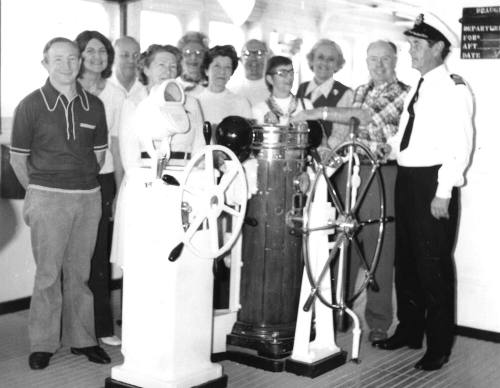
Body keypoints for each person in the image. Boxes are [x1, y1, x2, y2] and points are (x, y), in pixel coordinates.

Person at [371, 14, 473, 372]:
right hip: (408, 179)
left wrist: (444, 191)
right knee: (408, 261)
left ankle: (439, 345)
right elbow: (407, 135)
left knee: (434, 267)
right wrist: (392, 150)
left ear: (437, 48)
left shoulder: (454, 89)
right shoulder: (420, 85)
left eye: (416, 45)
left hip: (433, 184)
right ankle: (410, 331)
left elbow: (459, 145)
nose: (410, 51)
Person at [10, 37, 111, 369]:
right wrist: (40, 192)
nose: (67, 65)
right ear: (45, 64)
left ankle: (82, 339)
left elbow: (97, 156)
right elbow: (18, 160)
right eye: (58, 60)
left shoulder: (94, 105)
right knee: (48, 275)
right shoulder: (30, 105)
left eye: (72, 59)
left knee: (79, 274)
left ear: (80, 62)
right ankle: (43, 343)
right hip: (47, 198)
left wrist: (77, 182)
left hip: (87, 198)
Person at [347, 40, 409, 343]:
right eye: (373, 59)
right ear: (366, 61)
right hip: (353, 170)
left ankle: (379, 322)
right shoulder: (359, 91)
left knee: (379, 249)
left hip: (382, 173)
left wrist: (357, 140)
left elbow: (381, 134)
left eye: (385, 59)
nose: (379, 64)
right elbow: (352, 132)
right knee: (347, 242)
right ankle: (338, 313)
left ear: (395, 60)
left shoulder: (405, 94)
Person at [76, 30, 125, 347]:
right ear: (79, 55)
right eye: (90, 51)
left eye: (103, 51)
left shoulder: (116, 94)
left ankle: (102, 326)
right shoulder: (68, 87)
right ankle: (72, 326)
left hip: (103, 176)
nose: (97, 57)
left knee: (99, 254)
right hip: (70, 179)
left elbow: (118, 145)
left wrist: (120, 188)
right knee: (72, 253)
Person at [118, 44, 205, 175]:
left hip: (186, 176)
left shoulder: (191, 103)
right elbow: (129, 156)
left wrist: (196, 176)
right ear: (146, 69)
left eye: (173, 66)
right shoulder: (133, 103)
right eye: (161, 65)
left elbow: (200, 146)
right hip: (147, 177)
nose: (168, 71)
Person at [296, 39, 353, 148]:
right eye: (320, 57)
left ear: (337, 65)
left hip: (327, 156)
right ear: (312, 60)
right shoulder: (302, 88)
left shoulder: (345, 94)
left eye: (331, 59)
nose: (325, 63)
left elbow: (340, 135)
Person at [198, 45, 252, 134]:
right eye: (217, 66)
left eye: (227, 67)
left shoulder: (241, 102)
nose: (222, 72)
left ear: (231, 72)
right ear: (206, 70)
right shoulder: (195, 101)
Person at [252, 55, 313, 125]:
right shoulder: (259, 110)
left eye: (291, 73)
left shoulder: (306, 105)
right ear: (270, 79)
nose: (289, 77)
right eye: (282, 73)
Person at [227, 39, 270, 106]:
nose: (253, 58)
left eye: (259, 53)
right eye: (247, 54)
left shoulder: (277, 93)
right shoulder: (232, 93)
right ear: (241, 60)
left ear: (267, 58)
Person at [176, 31, 209, 95]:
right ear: (180, 57)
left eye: (198, 53)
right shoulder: (173, 85)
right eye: (187, 53)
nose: (193, 57)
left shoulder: (212, 86)